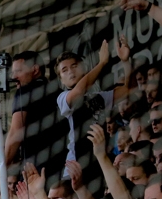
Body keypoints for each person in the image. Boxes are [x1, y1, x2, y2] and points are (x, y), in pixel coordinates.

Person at [54, 37, 131, 176]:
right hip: (76, 167)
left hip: (101, 160)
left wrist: (125, 61)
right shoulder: (63, 97)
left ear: (83, 67)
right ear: (61, 79)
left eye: (74, 66)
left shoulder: (99, 96)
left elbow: (128, 89)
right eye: (64, 70)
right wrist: (102, 63)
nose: (71, 71)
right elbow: (78, 92)